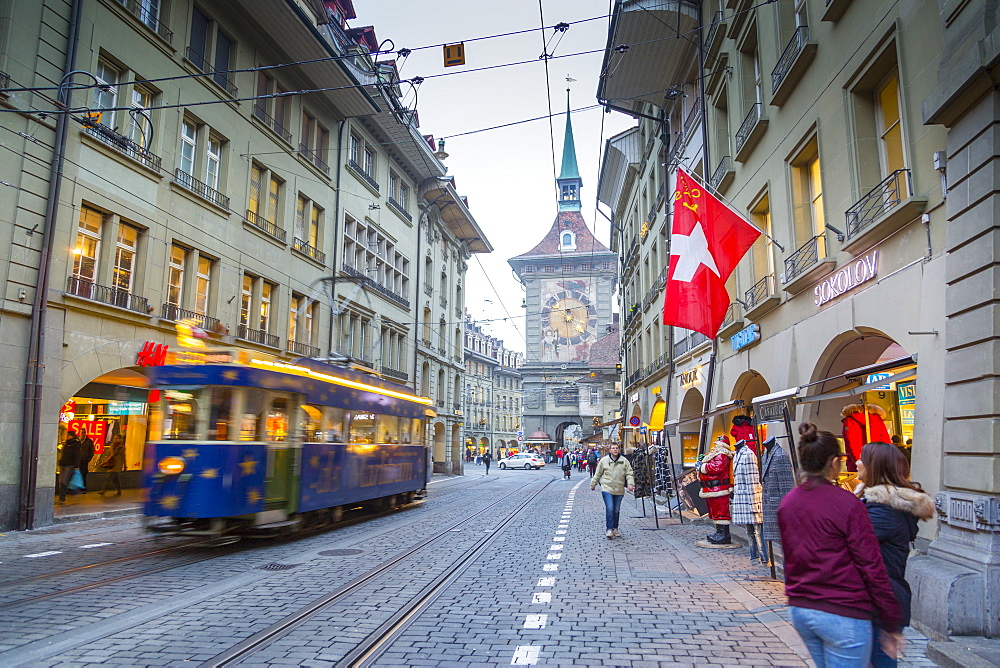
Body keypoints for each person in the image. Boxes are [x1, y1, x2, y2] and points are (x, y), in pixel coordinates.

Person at [779, 423, 903, 667]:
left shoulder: (789, 502)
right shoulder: (848, 504)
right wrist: (891, 621)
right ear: (834, 462)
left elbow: (791, 556)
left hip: (802, 608)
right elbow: (871, 565)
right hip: (842, 611)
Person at [857, 442, 934, 667]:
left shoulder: (883, 513)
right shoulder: (877, 506)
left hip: (880, 604)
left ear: (875, 466)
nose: (857, 462)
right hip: (878, 602)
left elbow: (847, 541)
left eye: (862, 458)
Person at [590, 443, 635, 539]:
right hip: (607, 488)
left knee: (616, 510)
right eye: (613, 448)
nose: (615, 450)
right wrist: (593, 484)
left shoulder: (624, 461)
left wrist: (630, 484)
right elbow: (598, 473)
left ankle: (615, 528)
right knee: (610, 508)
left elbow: (629, 473)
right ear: (610, 450)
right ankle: (609, 529)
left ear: (619, 450)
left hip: (619, 489)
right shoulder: (604, 461)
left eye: (617, 448)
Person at [57, 430, 82, 503]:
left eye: (68, 435)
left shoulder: (75, 444)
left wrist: (76, 465)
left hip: (69, 465)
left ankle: (62, 497)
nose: (66, 436)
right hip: (64, 464)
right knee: (62, 481)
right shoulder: (67, 444)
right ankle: (70, 492)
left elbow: (77, 455)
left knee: (64, 481)